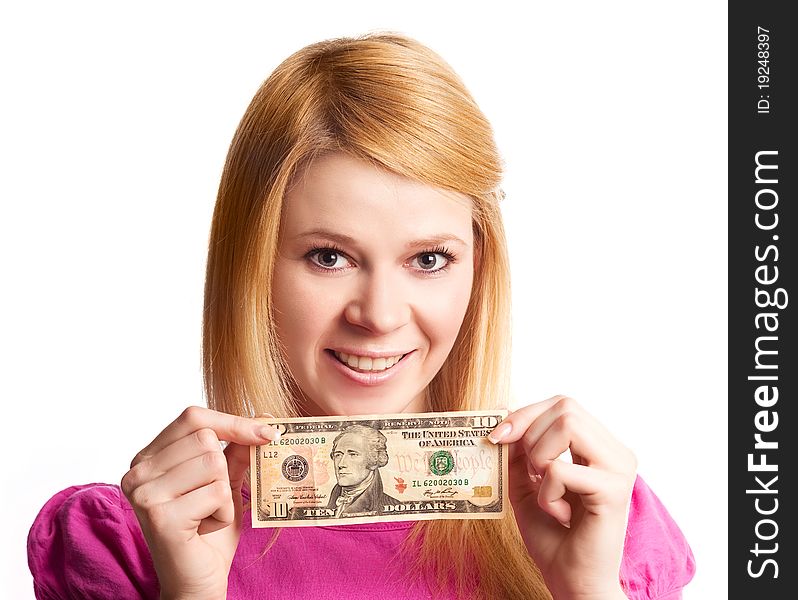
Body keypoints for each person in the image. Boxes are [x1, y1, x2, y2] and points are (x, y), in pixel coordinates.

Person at [27, 33, 695, 599]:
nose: (378, 316)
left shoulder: (596, 517)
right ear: (251, 262)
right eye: (327, 257)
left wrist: (587, 592)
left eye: (429, 259)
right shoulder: (130, 543)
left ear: (480, 268)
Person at [326, 425, 399, 517]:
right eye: (338, 455)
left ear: (373, 460)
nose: (341, 464)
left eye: (353, 454)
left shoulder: (392, 506)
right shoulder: (330, 503)